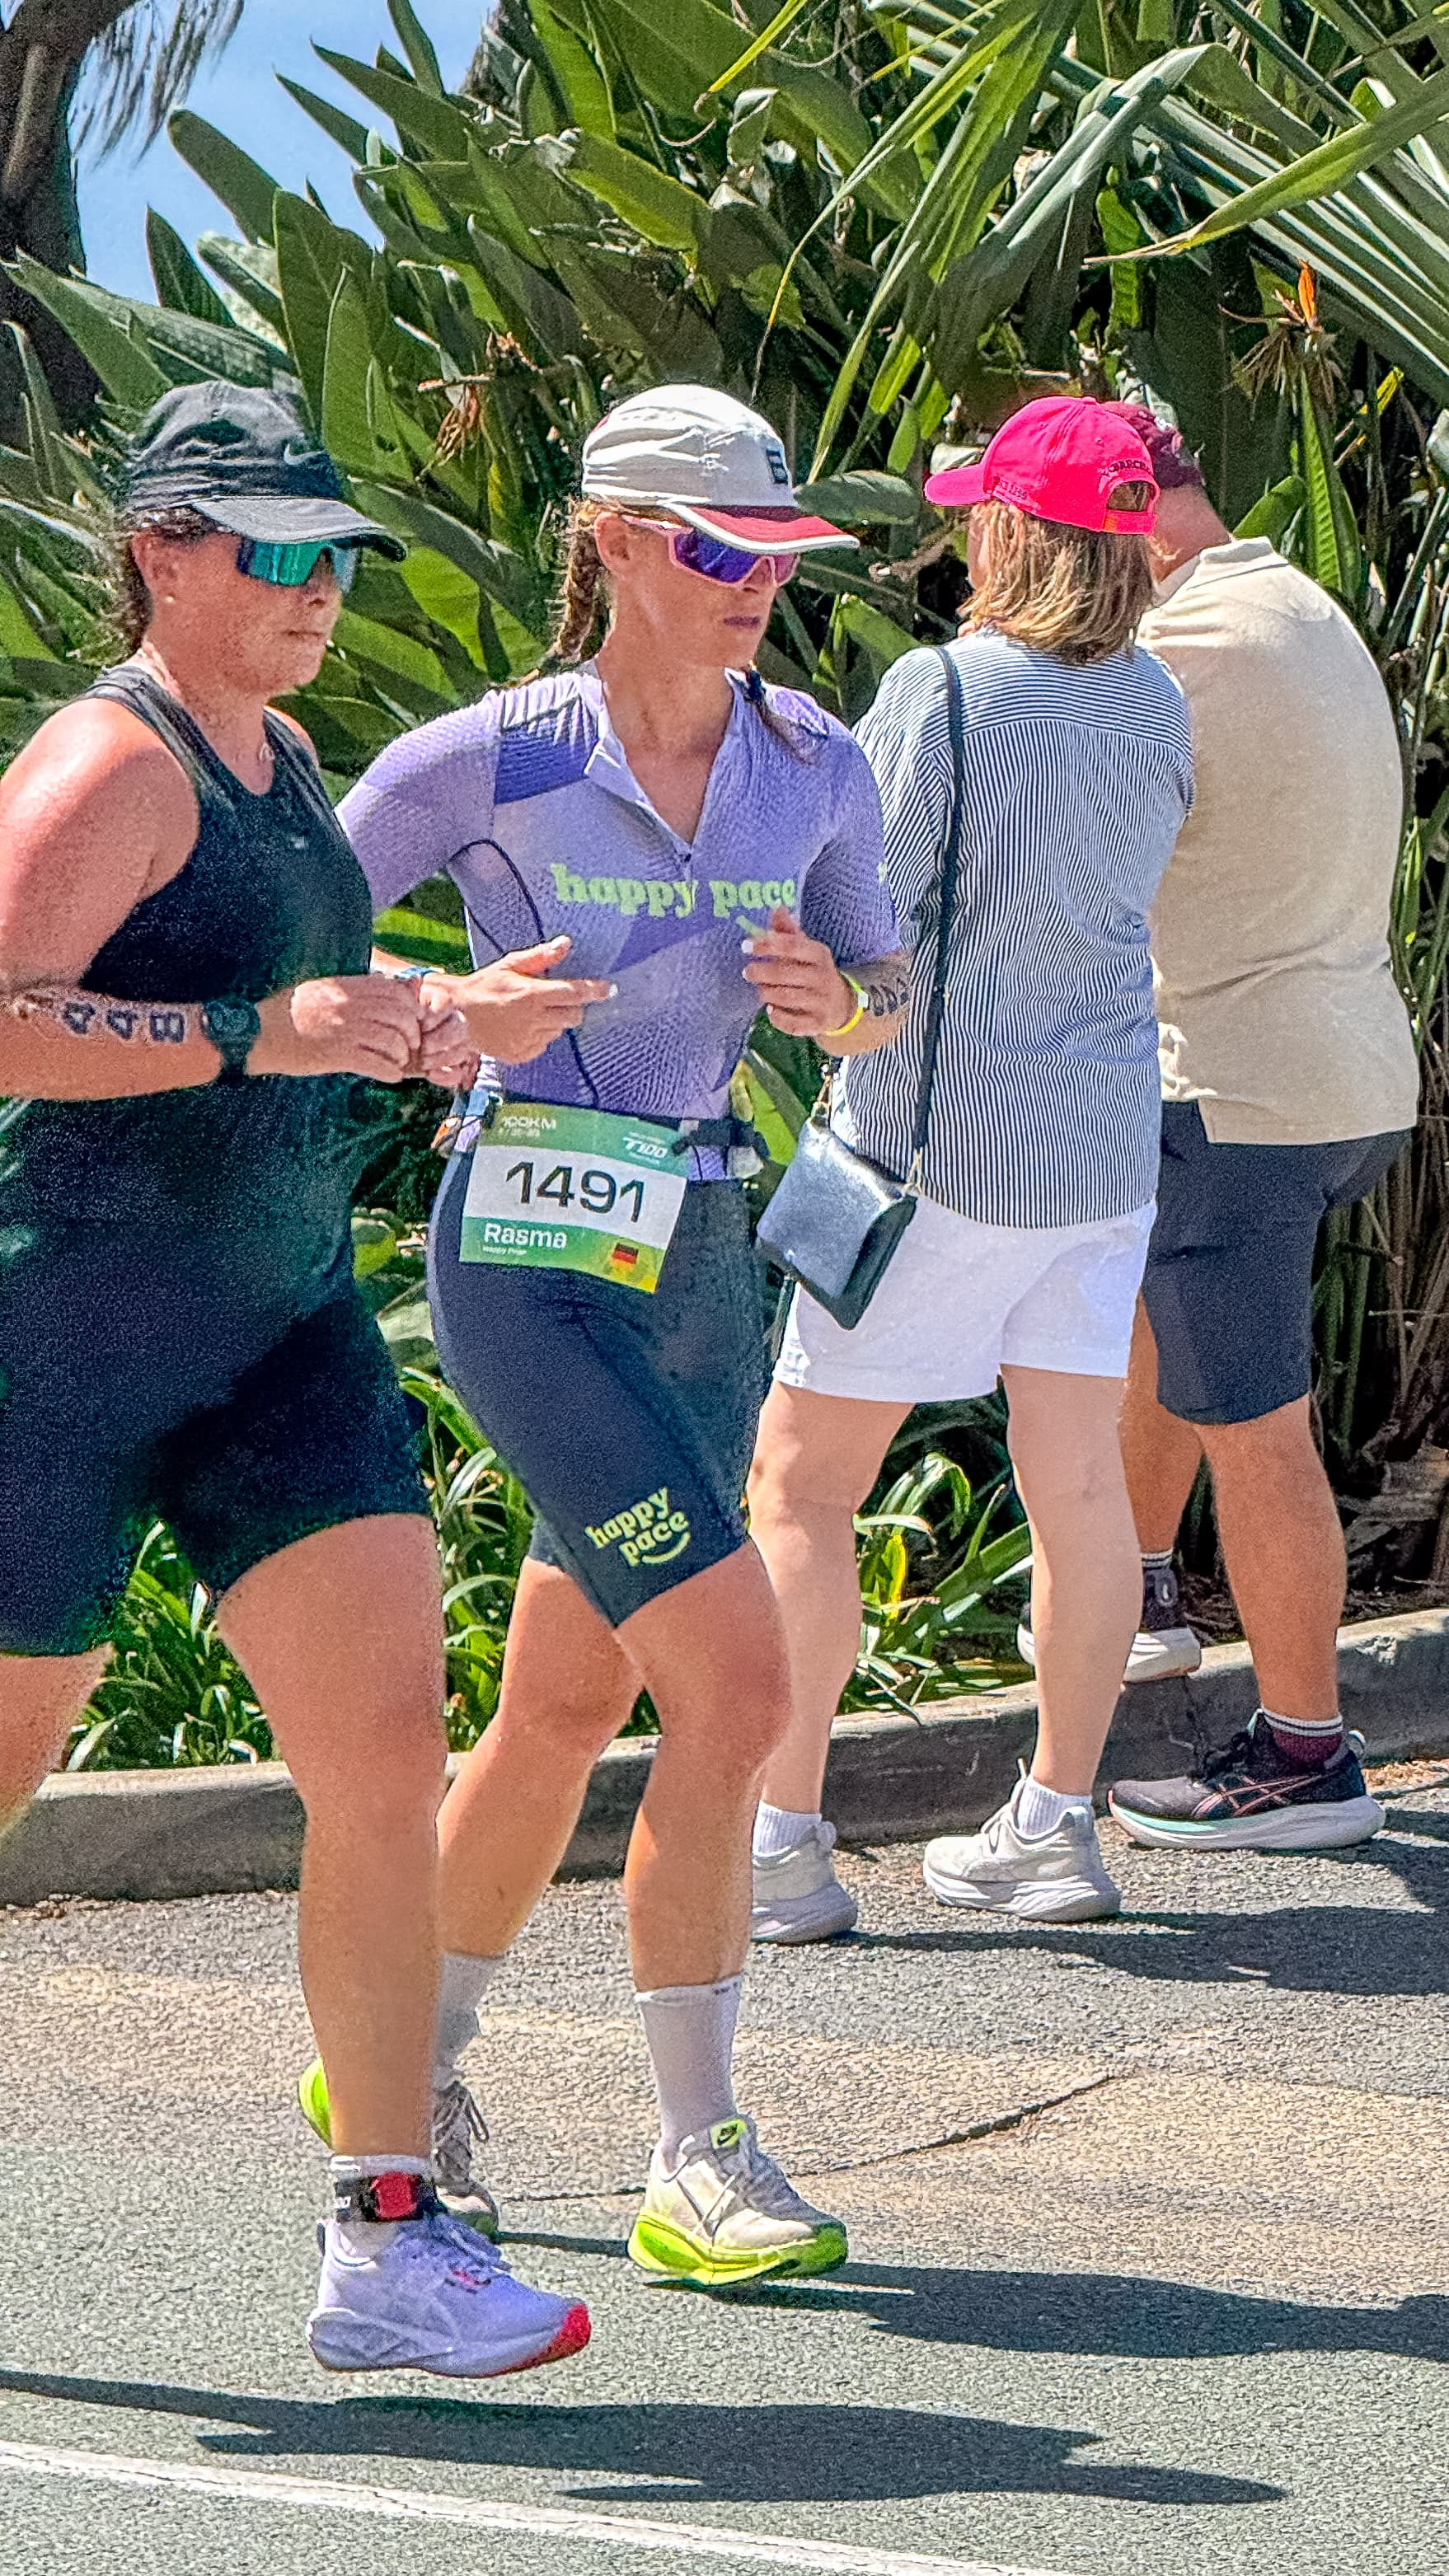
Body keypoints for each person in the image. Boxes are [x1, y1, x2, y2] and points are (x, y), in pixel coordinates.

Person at [0, 382, 590, 2380]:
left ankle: (388, 2234)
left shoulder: (285, 751)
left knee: (385, 1760)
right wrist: (259, 1033)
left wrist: (430, 1019)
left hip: (278, 1334)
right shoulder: (109, 763)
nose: (315, 589)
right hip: (60, 1347)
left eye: (333, 555)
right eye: (272, 552)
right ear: (160, 553)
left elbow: (295, 1005)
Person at [307, 384, 909, 2286]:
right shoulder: (492, 757)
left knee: (568, 1704)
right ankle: (697, 2156)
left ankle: (402, 2064)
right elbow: (278, 941)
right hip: (531, 1258)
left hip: (706, 1253)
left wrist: (839, 1005)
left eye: (780, 555)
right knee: (738, 1692)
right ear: (619, 539)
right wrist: (443, 1012)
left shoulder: (815, 762)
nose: (758, 585)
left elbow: (889, 982)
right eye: (722, 549)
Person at [745, 396, 1193, 1937]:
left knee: (803, 1486)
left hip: (925, 1154)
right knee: (1078, 1489)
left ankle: (781, 1843)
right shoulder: (1156, 704)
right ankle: (1053, 1829)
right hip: (1096, 1155)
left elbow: (870, 926)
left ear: (1008, 530)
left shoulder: (938, 692)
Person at [1090, 404, 1419, 1852]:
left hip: (1237, 1094)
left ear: (1111, 523)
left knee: (1257, 1426)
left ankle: (1302, 1754)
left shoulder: (1174, 652)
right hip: (1343, 1074)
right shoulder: (1286, 599)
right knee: (1159, 1314)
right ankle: (1136, 1585)